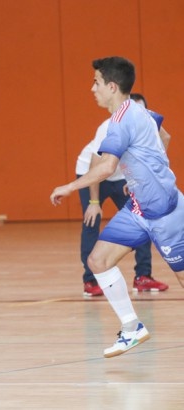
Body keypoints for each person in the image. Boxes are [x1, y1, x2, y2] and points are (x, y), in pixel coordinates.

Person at [50, 56, 184, 358]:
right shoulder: (139, 110)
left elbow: (107, 166)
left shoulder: (121, 120)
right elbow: (164, 136)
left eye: (96, 82)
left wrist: (70, 186)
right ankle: (132, 327)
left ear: (112, 86)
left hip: (166, 213)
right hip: (139, 208)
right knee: (98, 260)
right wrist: (143, 173)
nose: (92, 88)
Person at [76, 92, 170, 296]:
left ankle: (143, 276)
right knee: (92, 221)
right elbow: (96, 165)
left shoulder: (148, 124)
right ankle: (90, 281)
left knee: (143, 218)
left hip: (122, 176)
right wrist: (94, 202)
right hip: (93, 173)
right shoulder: (109, 127)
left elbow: (166, 138)